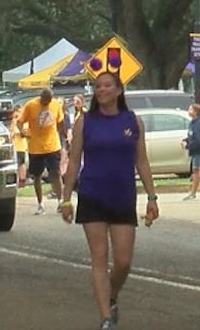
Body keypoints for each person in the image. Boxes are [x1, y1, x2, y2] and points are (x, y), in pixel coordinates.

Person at [59, 71, 160, 330]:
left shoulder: (132, 122)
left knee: (124, 262)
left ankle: (111, 295)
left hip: (123, 197)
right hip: (92, 195)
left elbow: (142, 161)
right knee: (99, 259)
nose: (101, 90)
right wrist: (66, 197)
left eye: (107, 86)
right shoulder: (85, 121)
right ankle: (105, 318)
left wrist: (151, 197)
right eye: (97, 86)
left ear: (118, 90)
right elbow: (74, 160)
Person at [18, 88, 65, 215]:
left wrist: (63, 135)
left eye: (49, 101)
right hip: (35, 147)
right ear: (41, 97)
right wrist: (22, 132)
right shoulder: (31, 105)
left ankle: (60, 201)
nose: (46, 104)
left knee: (55, 173)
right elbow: (20, 121)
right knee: (37, 176)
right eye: (45, 101)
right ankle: (40, 204)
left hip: (53, 146)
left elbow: (60, 121)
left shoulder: (55, 104)